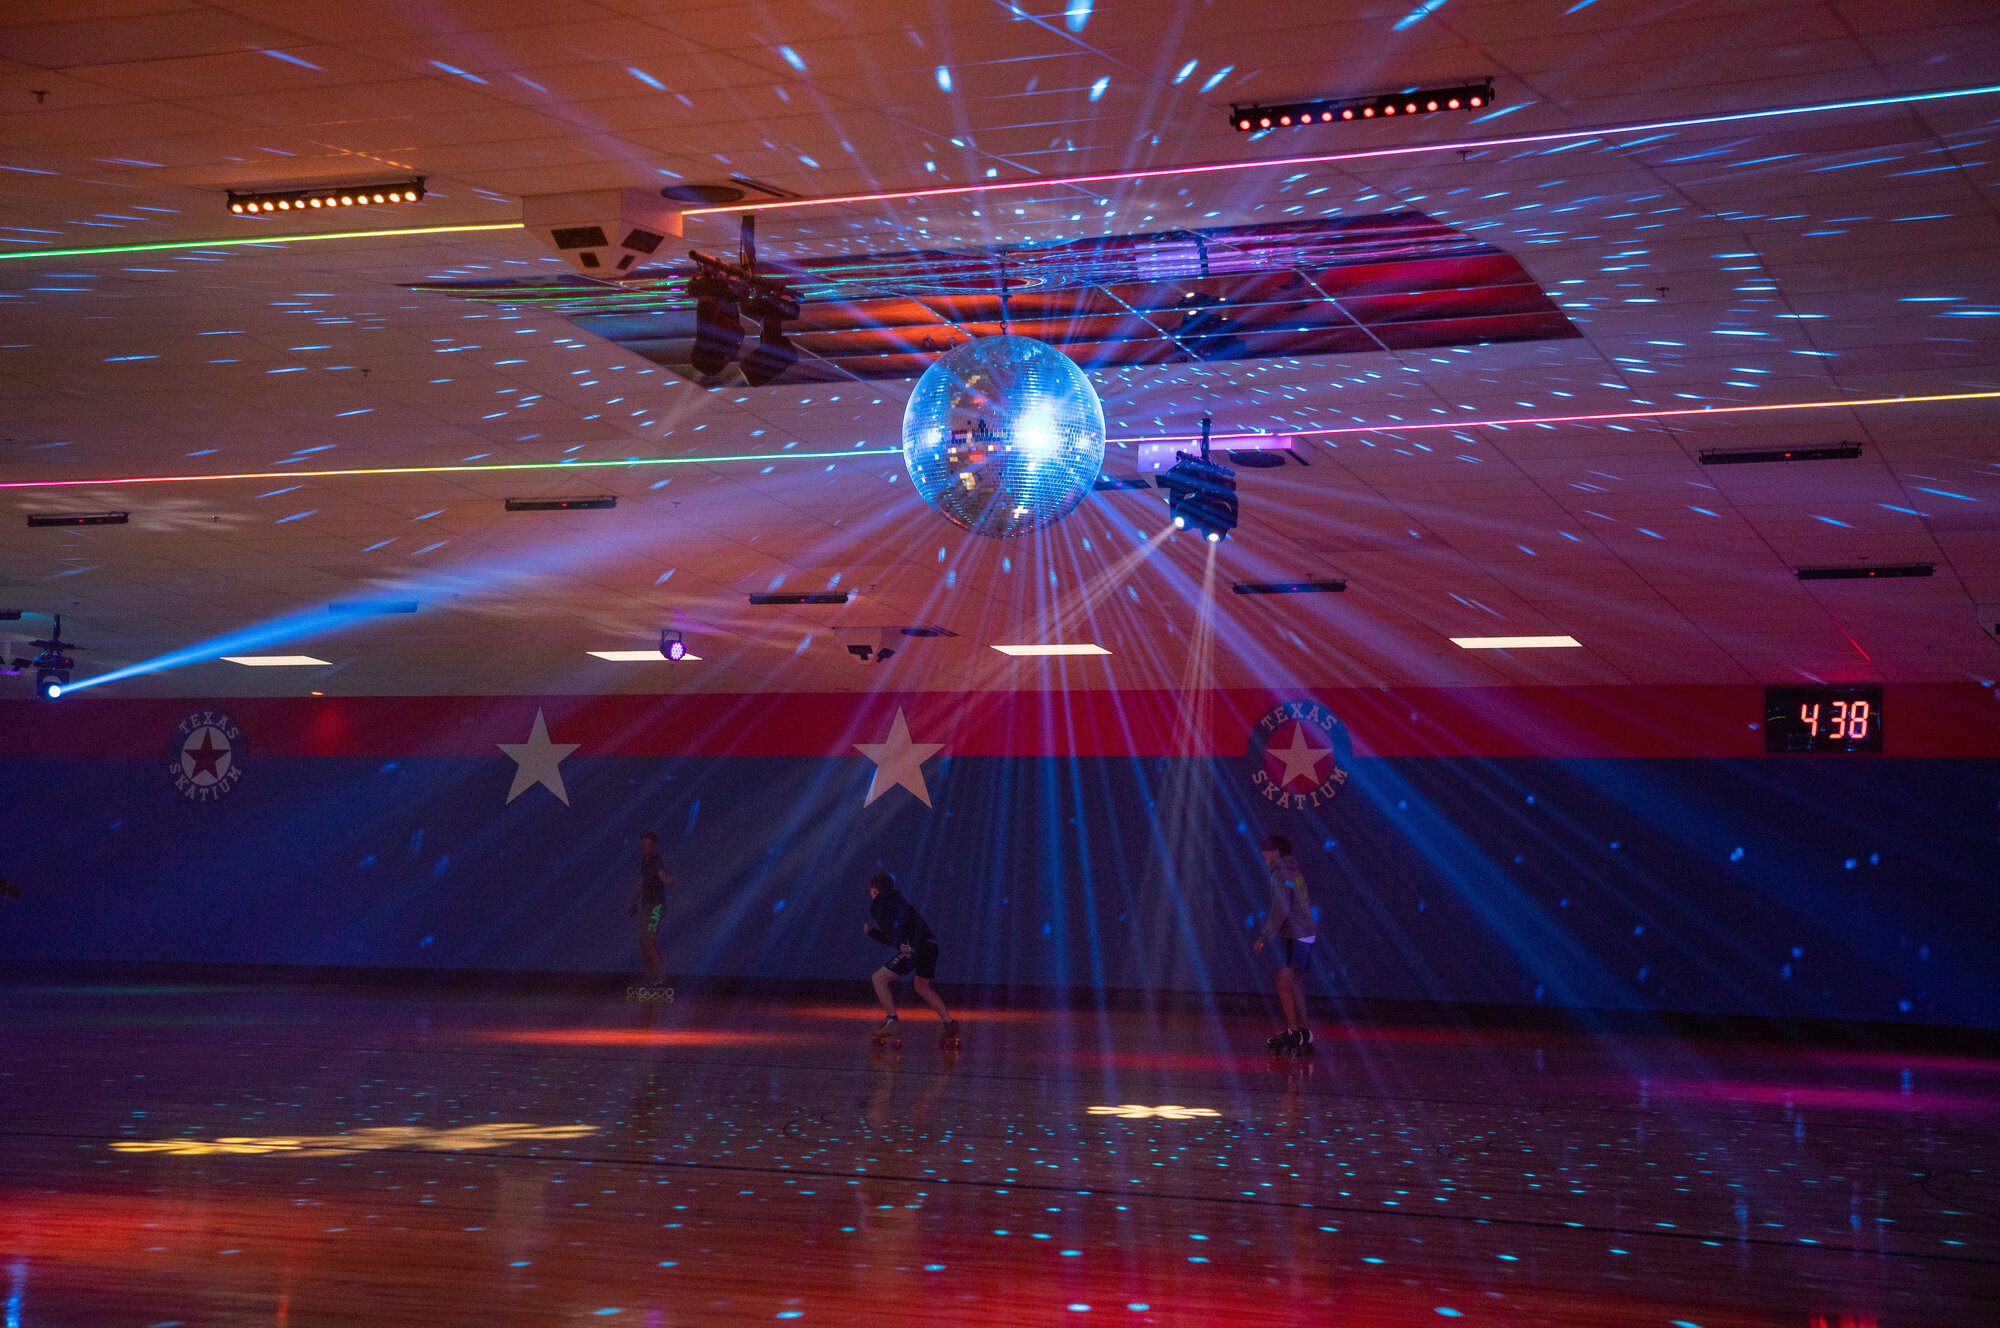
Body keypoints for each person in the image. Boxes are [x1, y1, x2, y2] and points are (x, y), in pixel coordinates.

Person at [864, 871, 957, 1043]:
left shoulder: (878, 903)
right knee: (922, 986)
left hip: (914, 946)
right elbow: (894, 931)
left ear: (874, 890)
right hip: (930, 944)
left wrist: (900, 943)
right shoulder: (899, 900)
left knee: (879, 979)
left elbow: (890, 928)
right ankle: (948, 1023)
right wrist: (874, 934)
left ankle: (892, 1022)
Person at [1251, 834, 1316, 1054]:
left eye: (1266, 850)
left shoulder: (1281, 873)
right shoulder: (1295, 871)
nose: (1263, 854)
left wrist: (1264, 936)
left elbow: (1280, 909)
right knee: (1295, 983)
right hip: (1307, 932)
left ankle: (1293, 1032)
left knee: (1283, 981)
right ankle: (1304, 1032)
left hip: (1294, 934)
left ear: (1276, 851)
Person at [626, 832, 673, 988]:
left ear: (654, 845)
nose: (645, 847)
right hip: (647, 904)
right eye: (643, 844)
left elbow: (661, 874)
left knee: (649, 941)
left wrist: (667, 880)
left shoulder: (656, 861)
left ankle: (660, 979)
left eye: (648, 844)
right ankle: (650, 976)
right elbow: (643, 881)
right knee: (644, 941)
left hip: (656, 905)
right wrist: (634, 900)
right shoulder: (644, 861)